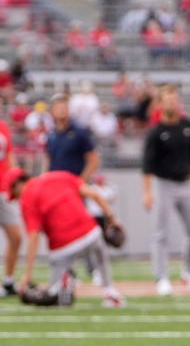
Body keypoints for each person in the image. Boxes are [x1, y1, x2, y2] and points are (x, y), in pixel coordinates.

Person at [3, 168, 125, 307]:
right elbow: (94, 194)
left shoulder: (27, 197)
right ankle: (110, 292)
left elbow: (34, 238)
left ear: (18, 184)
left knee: (55, 298)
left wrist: (27, 275)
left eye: (15, 194)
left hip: (63, 247)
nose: (17, 198)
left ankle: (63, 284)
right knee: (99, 250)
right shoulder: (59, 176)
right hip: (90, 234)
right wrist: (112, 219)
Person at [142, 85, 190, 295]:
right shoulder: (156, 132)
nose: (172, 103)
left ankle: (189, 272)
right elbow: (147, 165)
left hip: (185, 184)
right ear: (160, 104)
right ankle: (161, 277)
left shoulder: (187, 126)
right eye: (167, 100)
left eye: (174, 99)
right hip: (164, 184)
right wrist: (148, 192)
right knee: (161, 233)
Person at [45, 93, 99, 181]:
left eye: (64, 107)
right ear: (52, 111)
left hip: (73, 185)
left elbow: (94, 160)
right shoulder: (51, 135)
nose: (62, 110)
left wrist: (81, 181)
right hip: (55, 183)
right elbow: (49, 159)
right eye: (58, 108)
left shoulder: (79, 133)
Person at [0, 115, 20, 297]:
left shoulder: (3, 127)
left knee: (16, 237)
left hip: (4, 191)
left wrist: (16, 182)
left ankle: (8, 281)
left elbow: (10, 157)